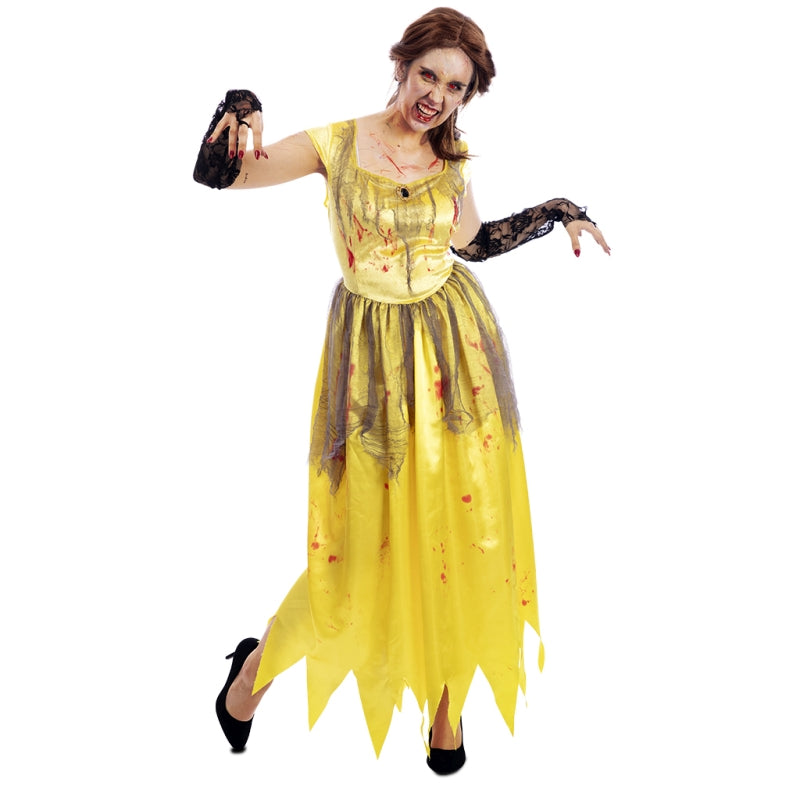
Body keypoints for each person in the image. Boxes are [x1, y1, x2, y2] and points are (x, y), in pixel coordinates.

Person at [193, 6, 610, 776]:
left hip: (458, 363)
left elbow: (471, 243)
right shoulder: (337, 144)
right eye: (428, 76)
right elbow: (219, 174)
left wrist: (559, 212)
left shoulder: (451, 160)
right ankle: (251, 674)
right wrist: (241, 105)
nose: (436, 97)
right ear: (402, 66)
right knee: (355, 551)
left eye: (455, 88)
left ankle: (445, 709)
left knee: (463, 533)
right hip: (372, 367)